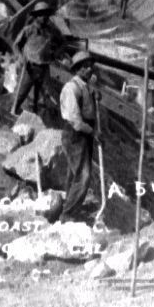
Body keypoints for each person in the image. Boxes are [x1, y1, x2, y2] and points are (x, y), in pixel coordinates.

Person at [52, 57, 99, 222]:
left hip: (84, 135)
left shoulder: (85, 86)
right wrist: (93, 132)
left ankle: (67, 206)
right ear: (78, 68)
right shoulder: (71, 88)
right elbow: (75, 121)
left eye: (91, 66)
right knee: (83, 177)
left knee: (74, 175)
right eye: (86, 66)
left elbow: (89, 108)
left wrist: (94, 93)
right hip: (75, 134)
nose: (90, 69)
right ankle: (68, 214)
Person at [11, 1, 66, 116]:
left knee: (49, 92)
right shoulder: (28, 30)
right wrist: (20, 57)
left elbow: (62, 43)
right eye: (41, 14)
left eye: (46, 14)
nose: (44, 17)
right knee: (22, 93)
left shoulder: (52, 31)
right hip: (29, 68)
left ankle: (59, 114)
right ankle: (13, 112)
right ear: (36, 16)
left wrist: (56, 53)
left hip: (44, 68)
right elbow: (16, 45)